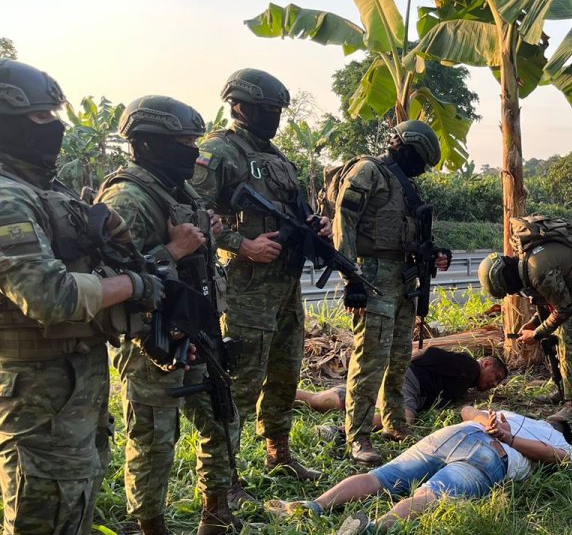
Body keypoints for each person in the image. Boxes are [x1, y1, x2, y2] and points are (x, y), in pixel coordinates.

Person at [0, 59, 164, 533]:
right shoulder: (8, 197)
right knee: (44, 514)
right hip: (37, 390)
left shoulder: (44, 188)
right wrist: (134, 286)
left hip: (73, 380)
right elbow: (49, 296)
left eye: (55, 114)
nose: (55, 127)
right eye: (40, 117)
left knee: (73, 507)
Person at [96, 96, 239, 534]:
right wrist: (173, 250)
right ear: (148, 144)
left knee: (222, 416)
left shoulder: (178, 188)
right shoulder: (127, 197)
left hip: (197, 326)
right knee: (155, 440)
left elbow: (195, 254)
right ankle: (149, 526)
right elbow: (110, 281)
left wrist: (206, 235)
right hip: (152, 339)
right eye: (182, 142)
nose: (192, 152)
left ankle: (216, 514)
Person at [189, 67, 328, 482]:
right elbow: (191, 212)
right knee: (242, 381)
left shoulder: (277, 157)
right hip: (248, 283)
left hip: (286, 283)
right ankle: (223, 478)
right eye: (267, 109)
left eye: (278, 110)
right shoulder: (219, 151)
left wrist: (315, 224)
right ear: (239, 106)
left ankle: (278, 452)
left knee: (286, 370)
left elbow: (294, 210)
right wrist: (241, 243)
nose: (275, 116)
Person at [324, 120, 451, 465]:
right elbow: (343, 224)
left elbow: (410, 232)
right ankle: (359, 436)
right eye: (420, 160)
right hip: (373, 276)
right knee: (370, 360)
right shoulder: (369, 172)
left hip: (403, 280)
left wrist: (435, 253)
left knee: (398, 358)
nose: (421, 170)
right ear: (404, 148)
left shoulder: (405, 186)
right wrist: (351, 279)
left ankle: (394, 422)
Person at [264, 405, 572, 533]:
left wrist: (487, 421)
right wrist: (507, 437)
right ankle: (370, 528)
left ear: (548, 418)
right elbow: (556, 457)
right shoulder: (562, 440)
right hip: (489, 454)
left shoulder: (512, 414)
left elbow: (466, 409)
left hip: (458, 433)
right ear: (562, 429)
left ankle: (313, 506)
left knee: (381, 477)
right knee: (432, 494)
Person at [477, 216, 572, 421]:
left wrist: (537, 333)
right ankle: (565, 392)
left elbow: (563, 309)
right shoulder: (529, 263)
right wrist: (536, 324)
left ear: (507, 282)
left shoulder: (538, 270)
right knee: (558, 332)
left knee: (571, 332)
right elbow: (552, 303)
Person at [295, 348, 509, 424]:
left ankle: (283, 394)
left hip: (399, 377)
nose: (494, 383)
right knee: (402, 419)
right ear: (486, 363)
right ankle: (339, 431)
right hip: (409, 381)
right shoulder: (469, 366)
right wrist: (400, 364)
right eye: (496, 376)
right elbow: (431, 353)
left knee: (329, 400)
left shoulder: (465, 380)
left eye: (498, 382)